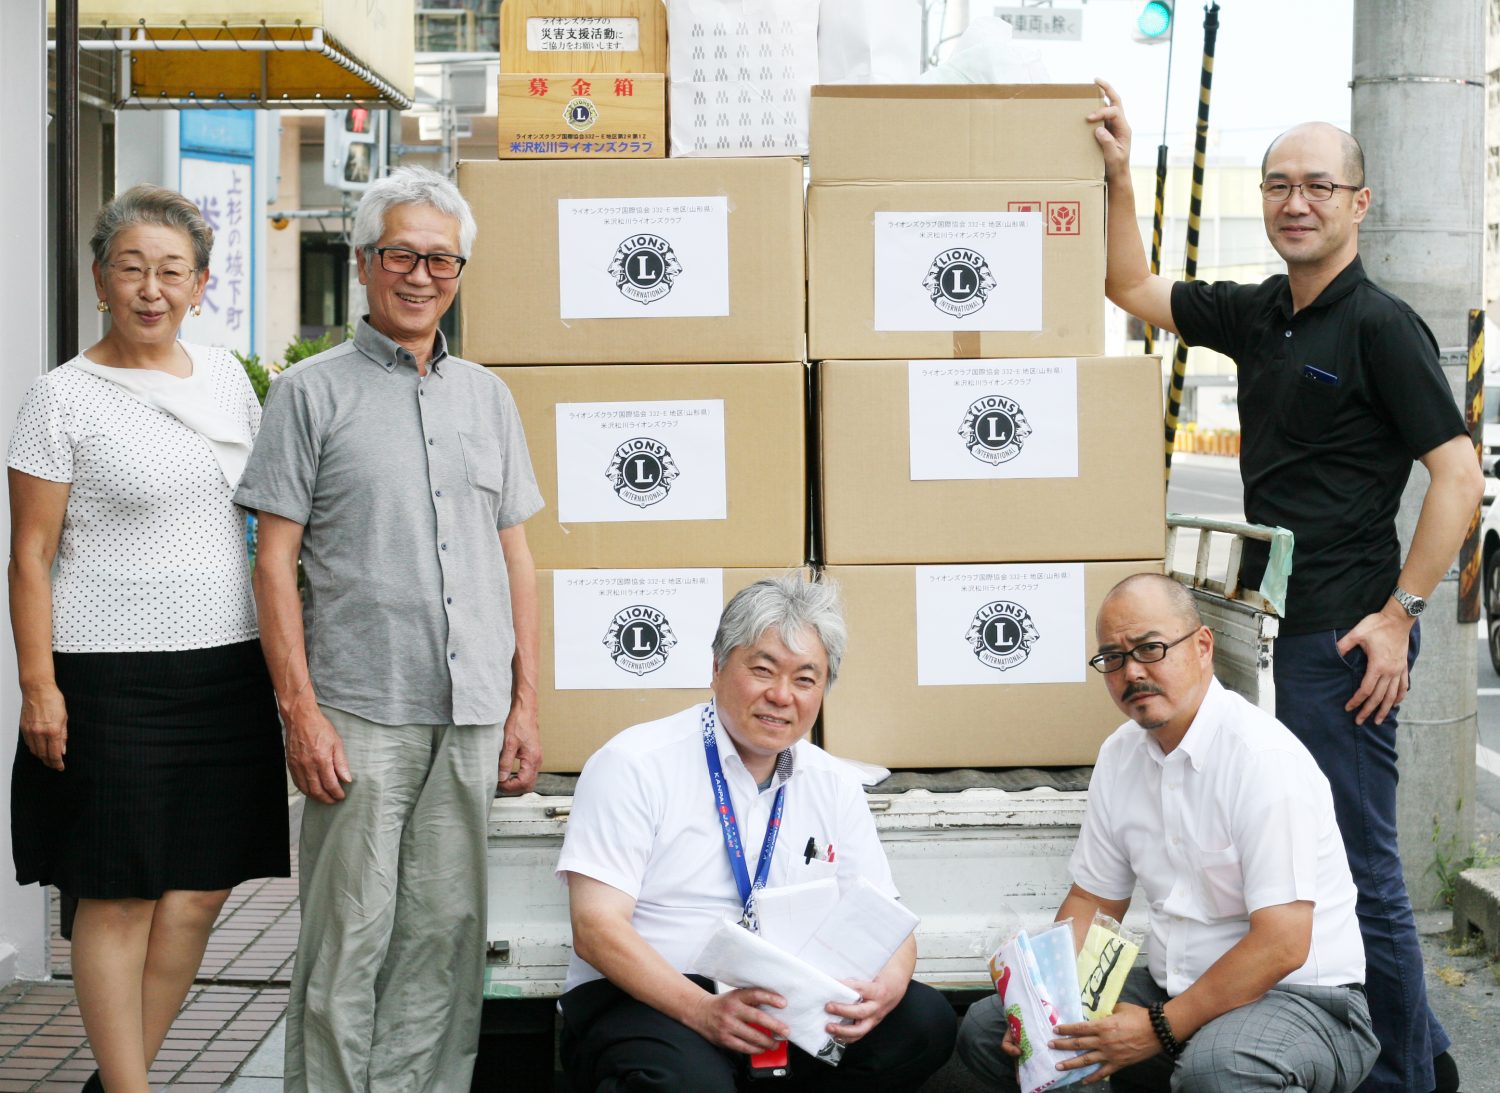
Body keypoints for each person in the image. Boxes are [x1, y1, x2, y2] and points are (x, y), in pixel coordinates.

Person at [1087, 80, 1482, 1093]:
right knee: (1285, 859)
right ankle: (1358, 1051)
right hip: (1256, 635)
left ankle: (1408, 1074)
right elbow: (1131, 289)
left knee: (1357, 867)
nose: (1294, 202)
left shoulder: (1381, 327)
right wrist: (1123, 172)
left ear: (1359, 202)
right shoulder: (1261, 311)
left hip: (1340, 644)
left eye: (1318, 185)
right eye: (1277, 186)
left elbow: (1458, 476)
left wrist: (1402, 615)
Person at [233, 165, 544, 1093]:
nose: (421, 275)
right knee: (347, 941)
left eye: (440, 259)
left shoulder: (487, 397)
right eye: (400, 254)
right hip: (361, 710)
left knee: (443, 941)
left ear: (460, 272)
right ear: (365, 263)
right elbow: (271, 562)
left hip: (473, 708)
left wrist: (525, 703)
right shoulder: (308, 394)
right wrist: (300, 710)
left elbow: (515, 560)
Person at [7, 185, 289, 1093]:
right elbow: (30, 555)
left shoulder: (226, 380)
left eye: (172, 270)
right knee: (118, 889)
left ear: (201, 283)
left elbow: (261, 522)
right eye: (131, 268)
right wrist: (38, 685)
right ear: (99, 279)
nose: (151, 288)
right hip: (104, 675)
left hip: (223, 667)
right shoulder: (59, 398)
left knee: (201, 889)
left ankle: (112, 1081)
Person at [956, 573, 1379, 1093]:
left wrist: (1158, 1028)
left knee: (1219, 1071)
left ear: (1202, 646)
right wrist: (1045, 1001)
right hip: (1171, 987)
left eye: (1150, 649)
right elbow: (1093, 899)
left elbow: (1282, 945)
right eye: (1112, 658)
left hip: (1298, 997)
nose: (1132, 671)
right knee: (993, 1028)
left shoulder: (1262, 760)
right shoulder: (1120, 755)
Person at [557, 574, 957, 1092]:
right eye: (763, 670)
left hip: (789, 996)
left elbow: (888, 919)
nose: (781, 696)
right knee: (687, 1084)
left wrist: (891, 984)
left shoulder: (833, 780)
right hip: (656, 997)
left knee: (923, 1021)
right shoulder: (634, 763)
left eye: (805, 679)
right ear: (718, 668)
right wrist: (701, 1009)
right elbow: (596, 929)